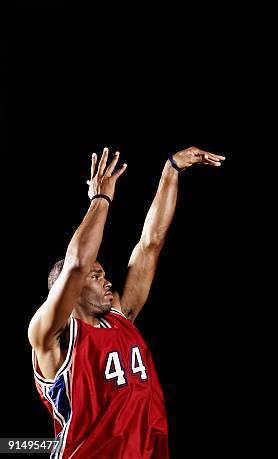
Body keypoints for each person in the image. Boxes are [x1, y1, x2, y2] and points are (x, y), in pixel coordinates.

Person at [28, 146, 225, 458]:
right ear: (71, 290)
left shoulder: (121, 316)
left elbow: (150, 244)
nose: (107, 280)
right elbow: (77, 263)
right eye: (96, 276)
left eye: (103, 273)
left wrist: (171, 170)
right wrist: (100, 199)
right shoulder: (51, 335)